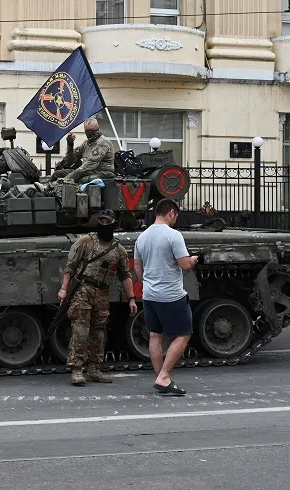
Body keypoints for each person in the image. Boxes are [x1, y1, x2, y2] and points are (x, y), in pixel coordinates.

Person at [59, 210, 137, 386]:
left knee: (98, 332)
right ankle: (77, 369)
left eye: (107, 222)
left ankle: (94, 368)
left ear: (113, 224)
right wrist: (64, 289)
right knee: (81, 329)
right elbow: (70, 267)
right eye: (101, 221)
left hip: (102, 292)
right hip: (83, 289)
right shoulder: (85, 242)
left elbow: (125, 275)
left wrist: (131, 298)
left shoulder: (119, 250)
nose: (103, 224)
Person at [133, 198, 200, 396]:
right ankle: (163, 377)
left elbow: (137, 266)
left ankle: (161, 377)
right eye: (175, 216)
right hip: (171, 295)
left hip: (150, 295)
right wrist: (193, 260)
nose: (175, 220)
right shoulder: (173, 235)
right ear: (171, 212)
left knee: (155, 336)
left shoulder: (142, 237)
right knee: (183, 333)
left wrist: (145, 284)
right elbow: (185, 265)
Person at [50, 118, 115, 184]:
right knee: (57, 174)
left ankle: (58, 185)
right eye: (87, 131)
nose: (90, 133)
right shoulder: (86, 143)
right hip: (87, 171)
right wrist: (70, 144)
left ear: (98, 128)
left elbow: (90, 164)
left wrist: (65, 179)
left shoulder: (102, 142)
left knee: (77, 173)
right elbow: (71, 160)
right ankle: (48, 189)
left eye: (92, 130)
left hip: (102, 171)